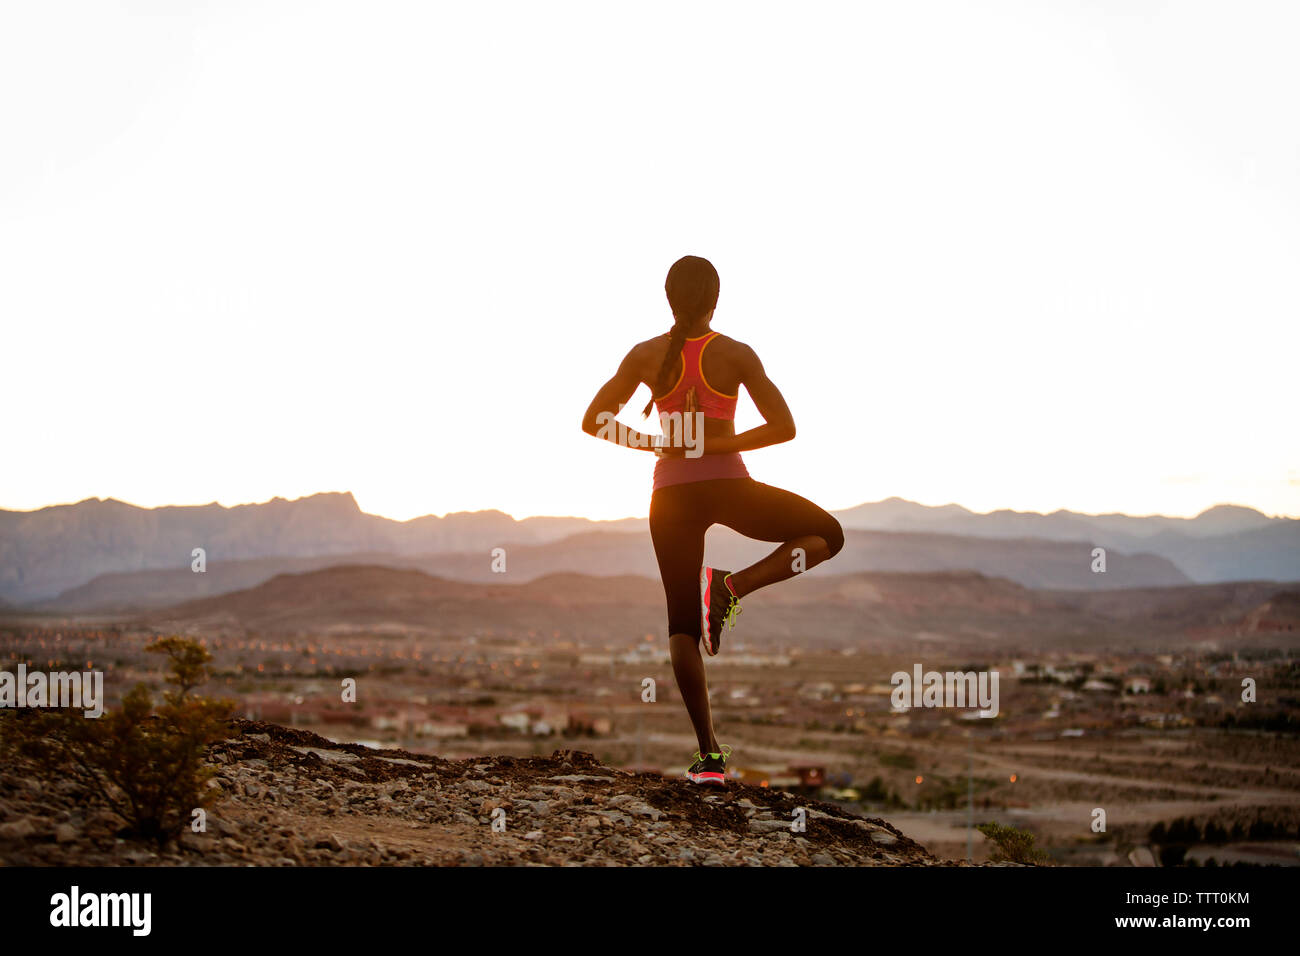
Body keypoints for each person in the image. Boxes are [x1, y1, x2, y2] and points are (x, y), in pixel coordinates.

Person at [582, 255, 844, 785]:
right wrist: (722, 442)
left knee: (681, 623)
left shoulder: (644, 354)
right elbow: (784, 426)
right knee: (828, 535)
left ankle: (709, 758)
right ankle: (731, 586)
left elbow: (595, 422)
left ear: (668, 298)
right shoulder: (735, 354)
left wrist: (655, 443)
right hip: (729, 487)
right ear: (716, 300)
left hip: (671, 494)